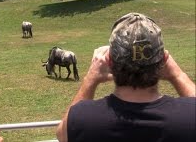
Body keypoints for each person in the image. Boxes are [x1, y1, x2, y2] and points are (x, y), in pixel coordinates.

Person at [56, 13, 196, 142]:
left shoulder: (84, 120)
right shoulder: (189, 117)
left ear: (109, 61)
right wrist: (178, 75)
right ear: (164, 60)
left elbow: (62, 135)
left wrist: (91, 79)